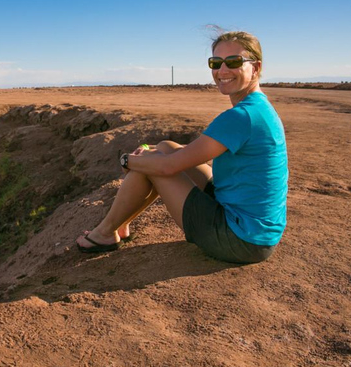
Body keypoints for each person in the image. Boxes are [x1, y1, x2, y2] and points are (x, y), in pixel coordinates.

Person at [76, 30, 288, 263]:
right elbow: (191, 152)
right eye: (216, 62)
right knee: (165, 147)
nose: (222, 70)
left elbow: (168, 168)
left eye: (234, 62)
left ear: (255, 68)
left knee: (155, 165)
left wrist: (127, 160)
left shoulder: (241, 116)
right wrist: (151, 154)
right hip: (255, 230)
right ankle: (122, 224)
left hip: (240, 240)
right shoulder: (257, 107)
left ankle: (106, 232)